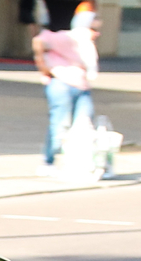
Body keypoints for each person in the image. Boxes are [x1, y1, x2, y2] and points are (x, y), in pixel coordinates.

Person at [34, 14, 95, 169]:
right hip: (61, 83)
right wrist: (44, 68)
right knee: (60, 125)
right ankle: (48, 162)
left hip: (82, 85)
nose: (96, 33)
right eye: (93, 28)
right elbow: (39, 42)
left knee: (84, 124)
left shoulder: (86, 43)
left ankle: (77, 162)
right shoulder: (65, 37)